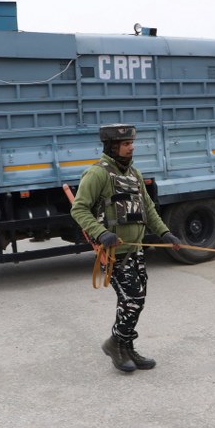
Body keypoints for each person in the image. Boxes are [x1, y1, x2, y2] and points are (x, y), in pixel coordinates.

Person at [70, 124, 181, 373]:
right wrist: (101, 233)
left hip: (136, 249)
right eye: (127, 143)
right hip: (113, 252)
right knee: (133, 299)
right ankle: (114, 344)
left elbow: (149, 209)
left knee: (134, 301)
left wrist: (165, 232)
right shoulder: (97, 174)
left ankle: (127, 348)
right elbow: (78, 209)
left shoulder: (134, 174)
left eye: (132, 142)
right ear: (112, 146)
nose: (132, 147)